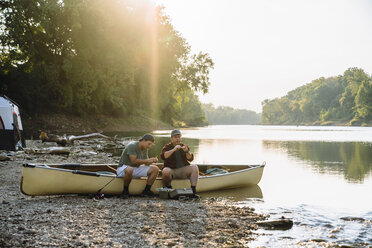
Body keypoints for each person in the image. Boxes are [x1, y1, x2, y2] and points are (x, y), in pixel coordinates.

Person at [160, 130, 200, 198]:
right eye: (175, 137)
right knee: (165, 171)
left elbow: (190, 158)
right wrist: (174, 149)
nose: (177, 139)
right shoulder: (167, 147)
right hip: (172, 171)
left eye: (179, 137)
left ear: (181, 138)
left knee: (194, 167)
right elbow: (163, 156)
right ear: (171, 138)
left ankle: (193, 191)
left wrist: (187, 151)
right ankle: (169, 191)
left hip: (182, 171)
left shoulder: (184, 146)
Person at [117, 134, 159, 198]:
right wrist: (147, 160)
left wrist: (152, 161)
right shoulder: (132, 146)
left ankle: (146, 191)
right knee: (129, 169)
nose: (149, 146)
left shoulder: (145, 148)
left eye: (151, 144)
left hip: (135, 168)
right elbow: (133, 161)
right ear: (144, 140)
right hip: (123, 168)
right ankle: (125, 192)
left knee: (155, 169)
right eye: (149, 144)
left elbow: (146, 163)